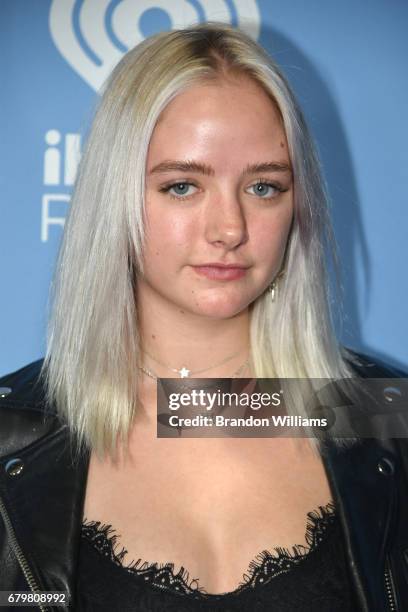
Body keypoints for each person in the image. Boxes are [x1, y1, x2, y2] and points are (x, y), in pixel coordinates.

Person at [0, 22, 407, 612]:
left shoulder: (386, 420)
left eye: (264, 187)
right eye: (183, 186)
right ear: (115, 197)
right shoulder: (12, 435)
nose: (231, 229)